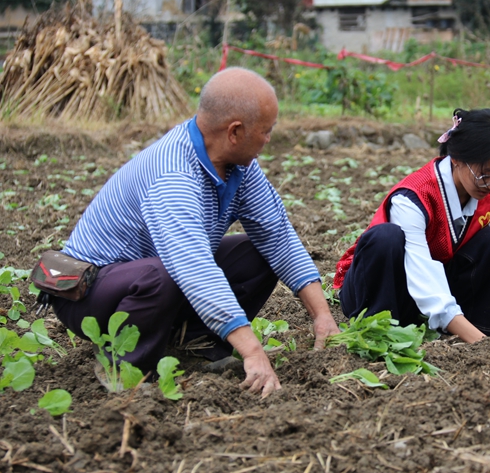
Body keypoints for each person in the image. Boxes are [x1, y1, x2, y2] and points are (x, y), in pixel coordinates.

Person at [52, 67, 340, 396]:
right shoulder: (173, 175)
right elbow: (193, 269)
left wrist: (322, 315)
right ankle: (126, 365)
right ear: (235, 132)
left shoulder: (240, 166)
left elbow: (278, 236)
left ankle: (192, 344)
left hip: (158, 275)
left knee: (256, 252)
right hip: (90, 292)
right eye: (266, 131)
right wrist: (252, 351)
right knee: (160, 274)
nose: (269, 139)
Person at [333, 108, 490, 343]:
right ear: (457, 159)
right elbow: (421, 273)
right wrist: (477, 340)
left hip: (428, 295)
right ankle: (381, 333)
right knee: (386, 237)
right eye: (486, 174)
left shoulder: (487, 190)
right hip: (383, 288)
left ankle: (483, 331)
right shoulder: (413, 198)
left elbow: (476, 248)